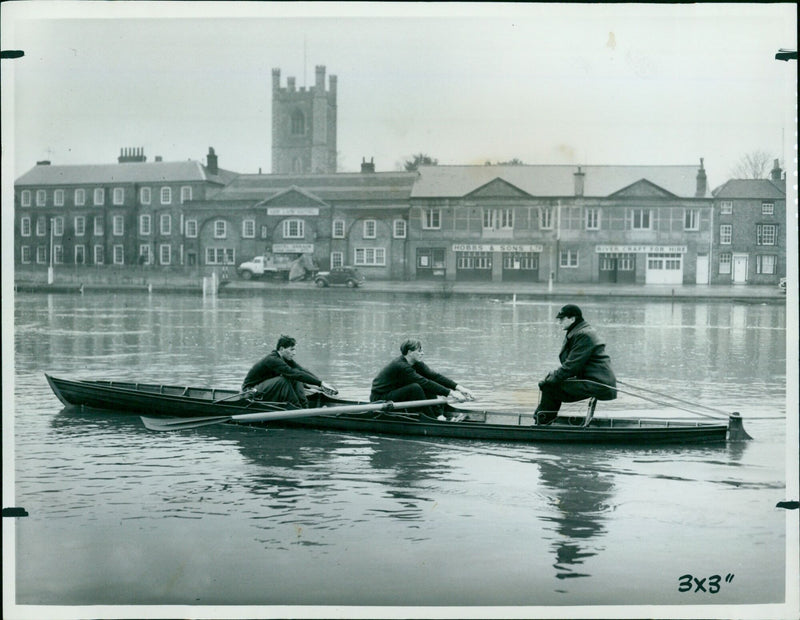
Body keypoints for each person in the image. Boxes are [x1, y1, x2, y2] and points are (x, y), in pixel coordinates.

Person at [535, 304, 617, 425]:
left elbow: (571, 366)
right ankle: (545, 421)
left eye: (562, 319)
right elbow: (574, 366)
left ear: (572, 319)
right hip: (597, 380)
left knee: (549, 386)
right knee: (552, 384)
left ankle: (542, 424)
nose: (559, 322)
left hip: (597, 383)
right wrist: (553, 377)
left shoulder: (582, 335)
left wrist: (550, 378)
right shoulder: (580, 331)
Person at [370, 339, 475, 421]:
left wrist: (460, 388)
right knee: (416, 387)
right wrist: (451, 394)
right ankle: (432, 418)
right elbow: (424, 383)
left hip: (396, 394)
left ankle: (439, 415)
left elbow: (435, 377)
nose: (423, 353)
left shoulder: (416, 363)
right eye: (419, 351)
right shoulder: (401, 366)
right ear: (410, 352)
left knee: (427, 384)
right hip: (380, 398)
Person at [242, 335, 337, 407]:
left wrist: (320, 384)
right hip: (250, 392)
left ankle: (304, 407)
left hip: (265, 389)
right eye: (292, 350)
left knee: (295, 377)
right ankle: (297, 408)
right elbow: (294, 374)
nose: (294, 353)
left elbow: (301, 370)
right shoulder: (272, 360)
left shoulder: (285, 359)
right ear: (282, 349)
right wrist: (319, 383)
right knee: (284, 380)